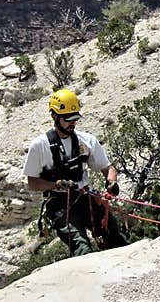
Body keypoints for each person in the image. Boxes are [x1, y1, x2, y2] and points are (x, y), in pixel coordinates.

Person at [23, 88, 129, 257]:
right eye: (68, 119)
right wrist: (55, 185)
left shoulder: (86, 141)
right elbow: (32, 182)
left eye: (75, 119)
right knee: (81, 246)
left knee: (114, 235)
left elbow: (108, 168)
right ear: (54, 116)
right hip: (59, 205)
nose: (72, 123)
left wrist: (111, 182)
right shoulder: (39, 146)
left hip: (85, 197)